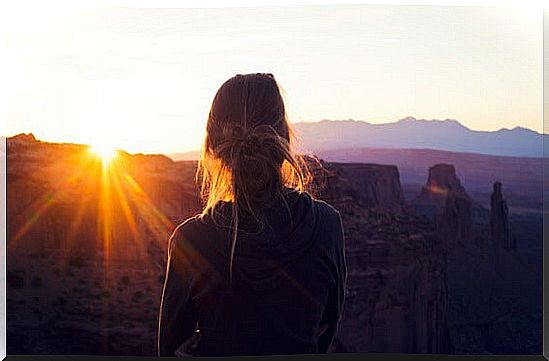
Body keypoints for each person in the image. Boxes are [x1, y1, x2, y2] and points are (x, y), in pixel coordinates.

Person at [157, 73, 347, 356]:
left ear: (211, 146)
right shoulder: (327, 226)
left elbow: (169, 349)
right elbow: (327, 329)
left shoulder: (191, 241)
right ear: (284, 140)